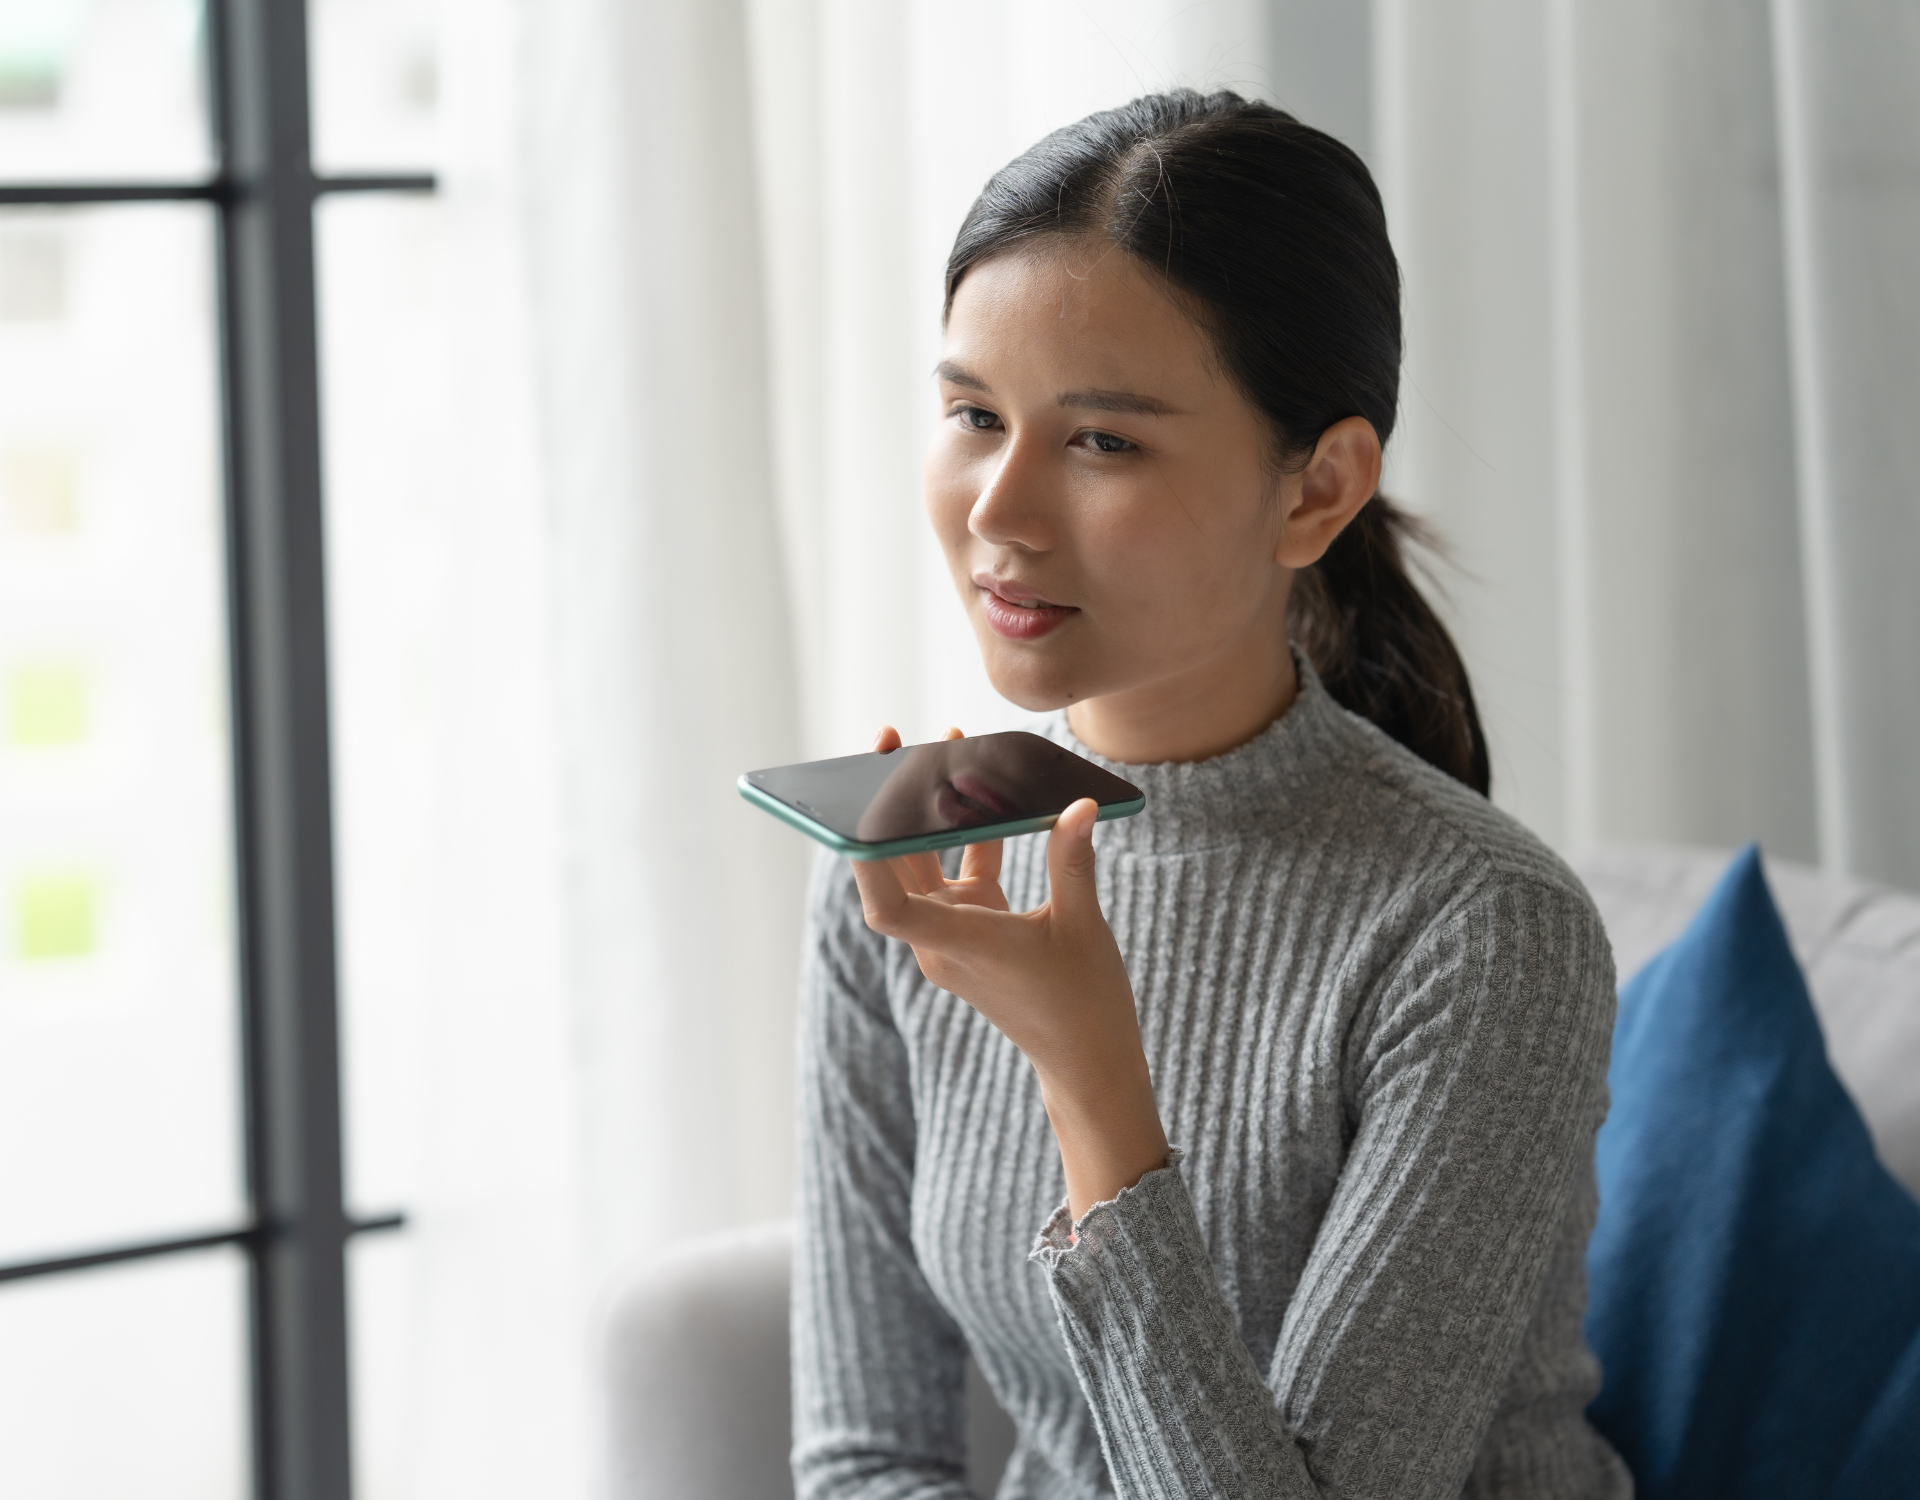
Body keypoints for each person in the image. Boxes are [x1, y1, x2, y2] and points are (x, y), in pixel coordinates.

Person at [790, 90, 1631, 1500]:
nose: (999, 509)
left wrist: (1094, 1082)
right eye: (972, 414)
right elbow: (865, 1455)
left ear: (1318, 491)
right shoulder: (908, 854)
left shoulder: (1485, 932)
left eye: (1102, 441)